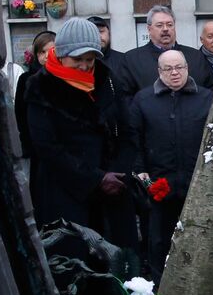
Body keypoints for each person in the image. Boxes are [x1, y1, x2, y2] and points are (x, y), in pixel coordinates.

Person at [23, 18, 137, 254]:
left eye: (90, 59)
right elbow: (46, 146)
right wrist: (95, 179)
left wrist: (118, 174)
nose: (85, 67)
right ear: (61, 55)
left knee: (117, 265)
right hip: (65, 191)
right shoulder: (40, 87)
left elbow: (126, 131)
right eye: (78, 59)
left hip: (112, 190)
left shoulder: (108, 80)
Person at [129, 49, 213, 277]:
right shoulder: (144, 100)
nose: (175, 73)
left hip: (196, 184)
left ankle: (198, 281)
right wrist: (141, 172)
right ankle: (159, 284)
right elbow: (134, 139)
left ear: (187, 68)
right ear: (159, 71)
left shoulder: (206, 98)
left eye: (180, 67)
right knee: (158, 239)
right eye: (168, 69)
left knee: (198, 237)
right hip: (160, 185)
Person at [113, 4, 213, 99]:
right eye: (159, 25)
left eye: (169, 25)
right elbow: (124, 98)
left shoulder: (196, 57)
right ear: (149, 29)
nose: (165, 29)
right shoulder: (132, 60)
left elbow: (211, 92)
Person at [14, 29, 55, 156]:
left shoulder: (65, 78)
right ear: (36, 55)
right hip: (36, 143)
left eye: (52, 51)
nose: (47, 56)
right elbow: (20, 113)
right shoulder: (26, 79)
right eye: (42, 52)